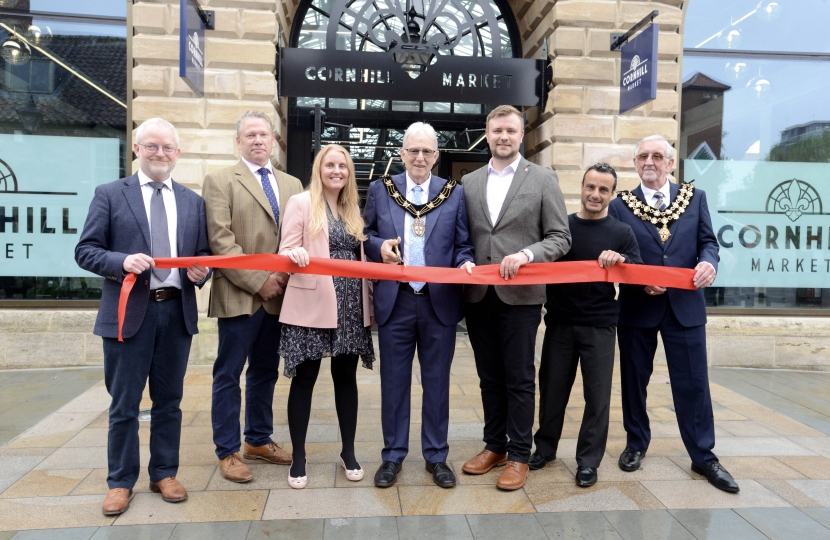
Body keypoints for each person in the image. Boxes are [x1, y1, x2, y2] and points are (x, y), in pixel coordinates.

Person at [75, 118, 211, 515]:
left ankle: (164, 473)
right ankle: (120, 481)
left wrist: (202, 272)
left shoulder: (192, 201)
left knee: (170, 400)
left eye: (168, 148)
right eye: (152, 146)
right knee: (125, 404)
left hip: (176, 311)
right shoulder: (111, 194)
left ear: (178, 153)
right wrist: (122, 261)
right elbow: (86, 250)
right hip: (128, 315)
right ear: (137, 149)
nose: (160, 154)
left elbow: (200, 254)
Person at [608, 135, 739, 493]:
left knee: (694, 383)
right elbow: (618, 254)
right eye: (642, 156)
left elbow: (708, 242)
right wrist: (639, 281)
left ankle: (704, 457)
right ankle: (636, 443)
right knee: (635, 380)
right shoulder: (620, 205)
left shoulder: (695, 198)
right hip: (638, 306)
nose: (649, 161)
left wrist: (708, 263)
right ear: (635, 164)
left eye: (657, 156)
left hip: (686, 305)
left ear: (669, 163)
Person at [460, 105, 571, 491]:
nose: (503, 136)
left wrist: (527, 254)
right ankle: (495, 446)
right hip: (477, 296)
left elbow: (560, 237)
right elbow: (465, 238)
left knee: (519, 378)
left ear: (521, 135)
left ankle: (520, 454)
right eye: (496, 130)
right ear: (487, 135)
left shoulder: (543, 179)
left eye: (510, 130)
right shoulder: (469, 182)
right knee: (489, 378)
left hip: (521, 297)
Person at [363, 122, 475, 489]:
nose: (420, 157)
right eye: (414, 150)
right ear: (401, 153)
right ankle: (392, 456)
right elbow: (365, 234)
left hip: (437, 303)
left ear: (437, 156)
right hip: (395, 301)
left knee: (437, 383)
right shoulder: (382, 190)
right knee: (393, 383)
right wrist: (377, 247)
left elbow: (463, 244)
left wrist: (464, 263)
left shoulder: (453, 194)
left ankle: (436, 456)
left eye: (427, 151)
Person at [202, 110, 304, 483]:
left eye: (264, 135)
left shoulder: (293, 184)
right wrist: (259, 281)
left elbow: (298, 238)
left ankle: (258, 440)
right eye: (251, 135)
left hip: (281, 296)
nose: (258, 140)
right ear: (238, 141)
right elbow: (220, 240)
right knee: (228, 374)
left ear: (274, 140)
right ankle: (227, 451)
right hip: (239, 294)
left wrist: (279, 279)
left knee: (265, 371)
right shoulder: (219, 180)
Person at [529, 163, 642, 487]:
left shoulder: (621, 232)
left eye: (603, 189)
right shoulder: (561, 229)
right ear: (581, 187)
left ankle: (588, 461)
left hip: (601, 327)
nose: (595, 194)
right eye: (591, 187)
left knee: (598, 398)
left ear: (612, 194)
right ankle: (545, 449)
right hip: (560, 325)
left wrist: (621, 261)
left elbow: (636, 272)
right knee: (551, 393)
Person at [277, 144, 375, 488]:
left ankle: (348, 451)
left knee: (345, 377)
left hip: (349, 303)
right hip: (311, 302)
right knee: (305, 378)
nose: (337, 171)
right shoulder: (301, 203)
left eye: (343, 166)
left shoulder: (352, 208)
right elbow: (285, 250)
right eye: (330, 165)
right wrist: (296, 251)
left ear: (349, 173)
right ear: (319, 169)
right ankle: (299, 456)